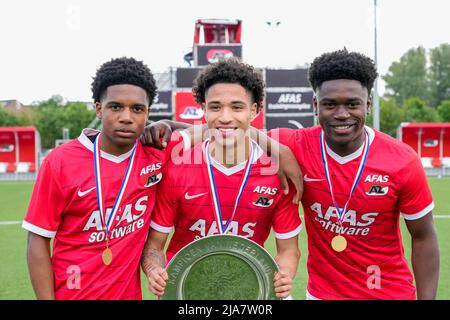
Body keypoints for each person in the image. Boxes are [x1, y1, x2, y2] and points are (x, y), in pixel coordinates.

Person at [270, 49, 440, 299]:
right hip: (321, 295)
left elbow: (424, 236)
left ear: (368, 104)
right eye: (330, 104)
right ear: (316, 105)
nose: (341, 114)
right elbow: (227, 129)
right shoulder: (295, 145)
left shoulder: (402, 161)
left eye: (352, 104)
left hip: (388, 293)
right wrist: (274, 146)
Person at [22, 57, 186, 299]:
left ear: (148, 112)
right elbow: (37, 239)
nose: (127, 117)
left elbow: (216, 134)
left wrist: (167, 124)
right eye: (116, 107)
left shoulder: (156, 152)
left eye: (137, 109)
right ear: (99, 108)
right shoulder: (60, 162)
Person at [140, 58, 302, 299]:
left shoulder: (276, 174)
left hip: (249, 287)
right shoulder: (177, 168)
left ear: (254, 111)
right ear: (203, 109)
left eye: (237, 107)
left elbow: (289, 250)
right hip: (186, 288)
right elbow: (154, 246)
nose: (225, 117)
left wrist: (285, 275)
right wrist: (155, 270)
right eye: (215, 107)